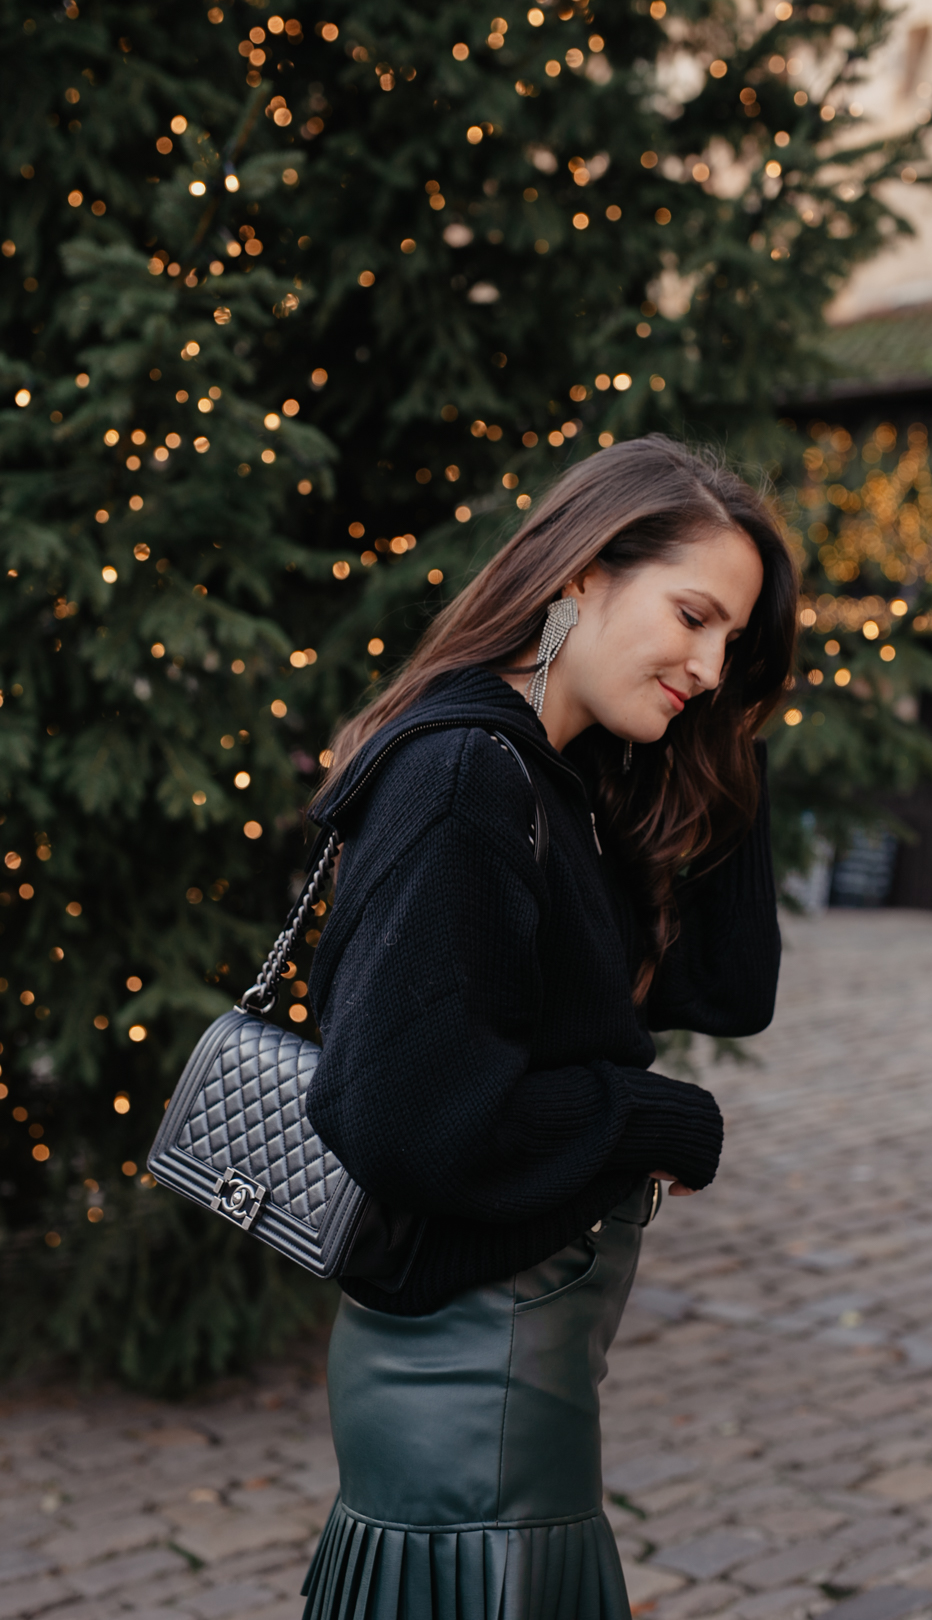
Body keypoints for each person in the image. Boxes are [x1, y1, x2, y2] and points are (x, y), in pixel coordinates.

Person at [299, 436, 797, 1620]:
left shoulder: (554, 780)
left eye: (732, 637)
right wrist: (644, 1117)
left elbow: (726, 990)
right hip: (475, 1387)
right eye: (692, 615)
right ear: (580, 575)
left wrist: (725, 727)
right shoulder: (473, 776)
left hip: (514, 1373)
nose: (710, 663)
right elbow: (402, 1115)